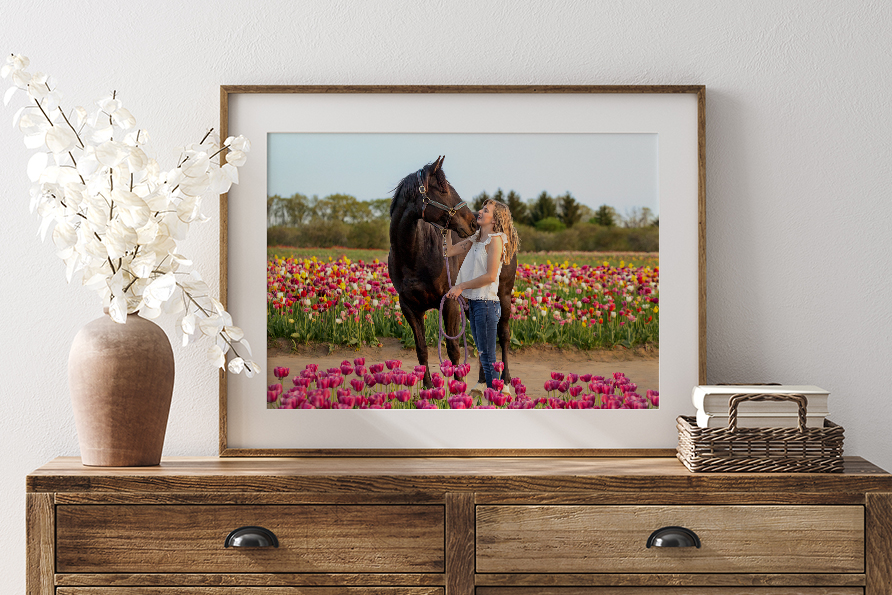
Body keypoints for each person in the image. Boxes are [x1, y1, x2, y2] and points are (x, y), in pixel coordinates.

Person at [444, 199, 520, 392]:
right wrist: (446, 229)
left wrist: (460, 286)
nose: (479, 211)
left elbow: (490, 276)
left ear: (495, 220)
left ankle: (498, 395)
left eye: (485, 211)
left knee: (487, 357)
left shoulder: (495, 240)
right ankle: (496, 393)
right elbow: (451, 251)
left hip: (486, 304)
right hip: (477, 304)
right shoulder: (477, 238)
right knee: (483, 353)